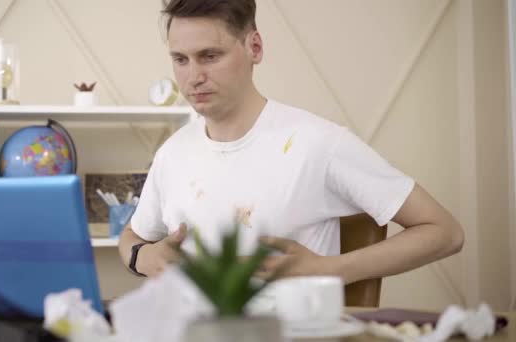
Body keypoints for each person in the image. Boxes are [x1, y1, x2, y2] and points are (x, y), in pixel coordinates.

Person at [118, 0, 464, 284]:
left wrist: (329, 269)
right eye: (181, 59)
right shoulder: (173, 153)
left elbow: (444, 232)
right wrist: (143, 256)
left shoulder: (319, 143)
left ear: (254, 47)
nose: (193, 76)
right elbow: (132, 236)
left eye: (210, 56)